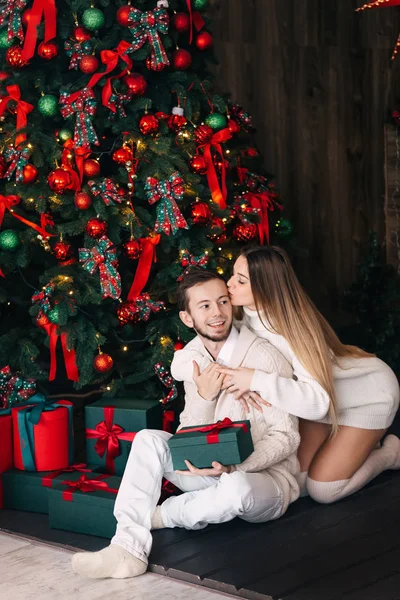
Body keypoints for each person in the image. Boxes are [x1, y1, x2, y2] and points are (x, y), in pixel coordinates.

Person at [71, 269, 300, 580]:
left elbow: (286, 437)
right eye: (204, 305)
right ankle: (127, 548)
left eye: (222, 301)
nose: (217, 313)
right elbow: (188, 435)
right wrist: (205, 398)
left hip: (262, 480)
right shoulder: (193, 359)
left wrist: (235, 467)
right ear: (188, 318)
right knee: (148, 440)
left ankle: (163, 515)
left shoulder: (264, 357)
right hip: (207, 473)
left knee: (236, 488)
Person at [213, 245, 400, 504]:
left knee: (322, 490)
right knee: (296, 483)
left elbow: (316, 402)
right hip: (324, 403)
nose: (229, 283)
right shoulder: (246, 317)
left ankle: (390, 453)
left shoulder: (291, 330)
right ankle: (354, 445)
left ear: (267, 287)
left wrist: (255, 379)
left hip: (367, 396)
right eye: (233, 275)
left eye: (241, 280)